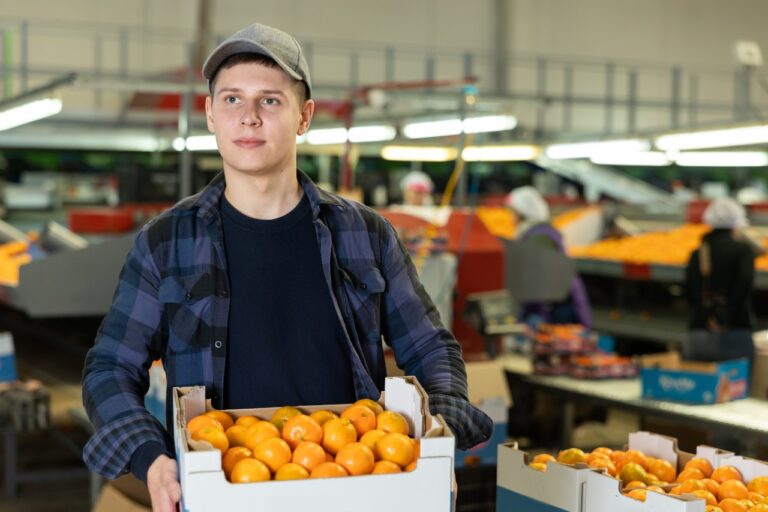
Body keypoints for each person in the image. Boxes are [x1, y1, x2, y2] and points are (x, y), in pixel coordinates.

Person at [81, 22, 491, 511]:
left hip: (356, 484)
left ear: (304, 116)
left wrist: (436, 438)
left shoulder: (364, 233)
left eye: (270, 101)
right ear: (210, 114)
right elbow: (109, 367)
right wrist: (149, 457)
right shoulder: (167, 240)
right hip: (223, 490)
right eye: (232, 99)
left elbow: (430, 347)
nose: (249, 117)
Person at [505, 186, 592, 328]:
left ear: (523, 213)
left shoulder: (538, 237)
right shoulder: (540, 231)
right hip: (557, 302)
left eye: (513, 213)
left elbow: (536, 279)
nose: (511, 218)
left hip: (558, 308)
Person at [684, 196, 755, 363]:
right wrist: (727, 317)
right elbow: (744, 284)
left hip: (699, 332)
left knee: (700, 384)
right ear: (736, 224)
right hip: (736, 332)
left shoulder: (698, 253)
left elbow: (690, 293)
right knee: (734, 386)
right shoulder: (743, 251)